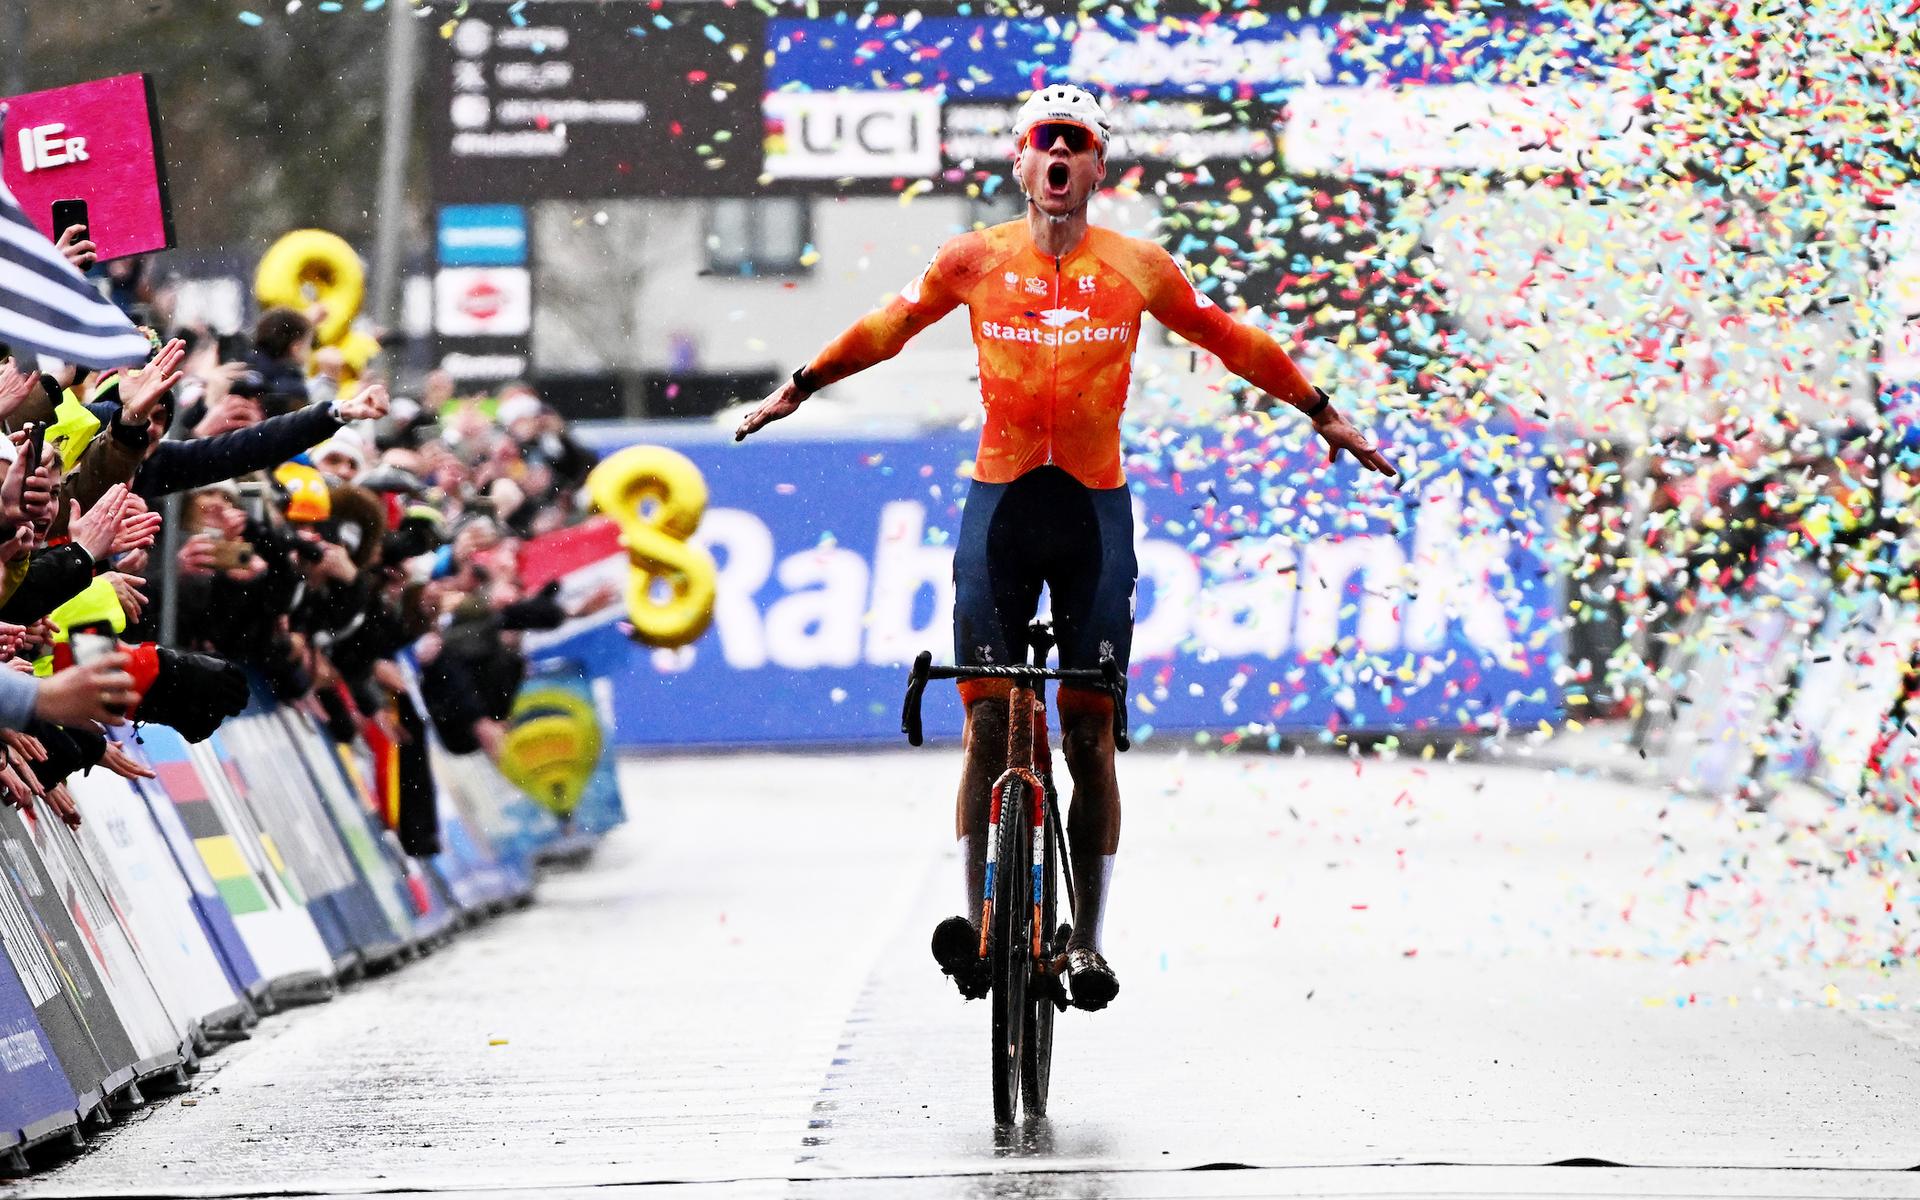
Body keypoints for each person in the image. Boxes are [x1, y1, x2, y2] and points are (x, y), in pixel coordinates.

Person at [735, 85, 1399, 1011]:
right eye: (1041, 144)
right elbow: (886, 329)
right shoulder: (973, 259)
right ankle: (978, 928)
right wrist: (800, 387)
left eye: (1074, 145)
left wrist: (1323, 415)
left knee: (1087, 731)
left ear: (1096, 166)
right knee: (986, 724)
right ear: (1018, 164)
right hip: (1001, 506)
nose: (1056, 158)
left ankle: (1086, 942)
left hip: (1093, 512)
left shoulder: (1135, 265)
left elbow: (1230, 340)